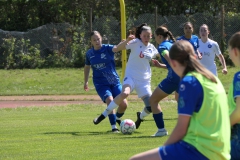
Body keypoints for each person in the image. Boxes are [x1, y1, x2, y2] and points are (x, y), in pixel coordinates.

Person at [130, 40, 230, 160]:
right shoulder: (214, 80)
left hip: (199, 149)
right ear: (194, 56)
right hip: (221, 151)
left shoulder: (189, 82)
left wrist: (165, 148)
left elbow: (181, 129)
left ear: (172, 63)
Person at [93, 24, 167, 136]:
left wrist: (160, 63)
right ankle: (103, 114)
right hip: (131, 76)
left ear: (151, 36)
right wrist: (127, 40)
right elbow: (118, 48)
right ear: (140, 36)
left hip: (144, 81)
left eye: (148, 36)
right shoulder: (135, 43)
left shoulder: (152, 48)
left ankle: (140, 118)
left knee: (150, 106)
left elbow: (159, 57)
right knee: (124, 94)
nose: (146, 38)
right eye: (144, 35)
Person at [135, 26, 180, 137]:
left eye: (155, 37)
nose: (154, 39)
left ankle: (161, 130)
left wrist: (173, 65)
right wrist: (161, 65)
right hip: (182, 77)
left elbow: (167, 55)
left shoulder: (162, 46)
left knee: (153, 101)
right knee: (180, 100)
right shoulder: (172, 44)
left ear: (160, 36)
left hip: (173, 78)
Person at [84, 31, 128, 133]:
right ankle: (114, 127)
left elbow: (117, 48)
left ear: (101, 39)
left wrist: (126, 42)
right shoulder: (89, 54)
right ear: (91, 42)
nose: (97, 41)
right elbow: (87, 67)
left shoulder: (107, 48)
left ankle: (116, 118)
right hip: (101, 83)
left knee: (124, 104)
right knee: (109, 99)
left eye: (98, 39)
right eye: (94, 40)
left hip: (114, 81)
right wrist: (86, 81)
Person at [227, 32, 240, 160]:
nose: (229, 55)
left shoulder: (239, 77)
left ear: (235, 51)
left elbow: (239, 111)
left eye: (229, 50)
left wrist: (222, 127)